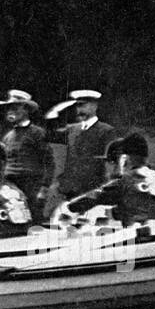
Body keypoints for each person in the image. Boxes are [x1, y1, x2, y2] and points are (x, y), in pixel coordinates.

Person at [63, 132, 155, 226]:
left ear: (124, 159)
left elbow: (91, 199)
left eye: (113, 161)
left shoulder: (124, 183)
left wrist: (66, 208)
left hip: (138, 243)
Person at [45, 89, 117, 219]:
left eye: (83, 105)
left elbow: (110, 160)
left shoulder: (106, 130)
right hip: (71, 188)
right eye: (77, 105)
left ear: (95, 106)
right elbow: (50, 134)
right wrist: (57, 110)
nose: (79, 109)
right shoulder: (72, 129)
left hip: (91, 188)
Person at [0, 89, 54, 222]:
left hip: (31, 185)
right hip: (11, 186)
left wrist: (44, 189)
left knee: (34, 221)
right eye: (9, 108)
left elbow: (49, 162)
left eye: (15, 107)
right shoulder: (8, 137)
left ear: (26, 110)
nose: (11, 111)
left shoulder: (37, 133)